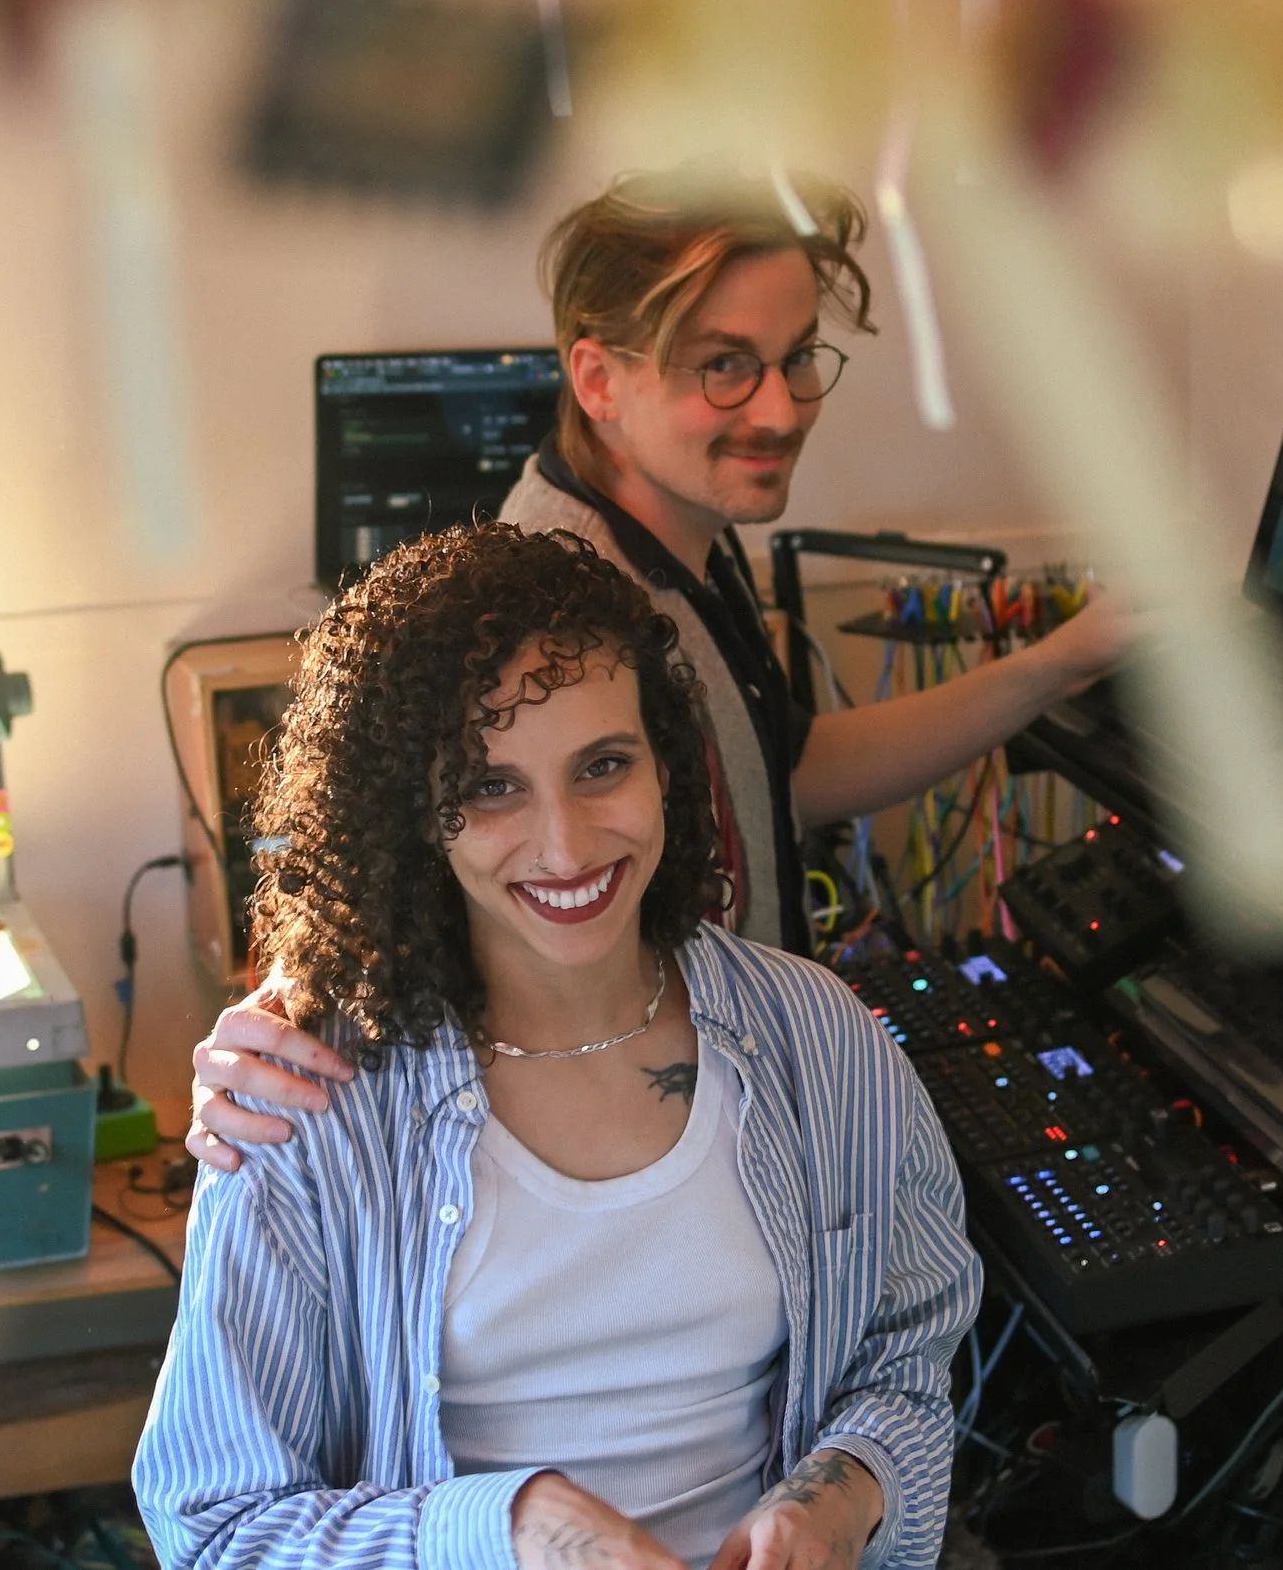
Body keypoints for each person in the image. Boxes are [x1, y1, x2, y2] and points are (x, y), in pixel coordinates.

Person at [188, 163, 1125, 1167]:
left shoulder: (682, 531)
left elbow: (786, 769)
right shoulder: (573, 615)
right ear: (599, 381)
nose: (778, 410)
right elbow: (411, 878)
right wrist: (281, 1023)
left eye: (795, 357)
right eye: (723, 365)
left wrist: (1059, 663)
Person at [133, 524, 980, 1570]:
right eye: (492, 786)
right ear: (414, 812)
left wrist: (838, 1496)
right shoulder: (302, 1097)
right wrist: (516, 1528)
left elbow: (907, 1353)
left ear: (668, 766)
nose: (568, 844)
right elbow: (215, 1528)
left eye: (603, 765)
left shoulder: (818, 1036)